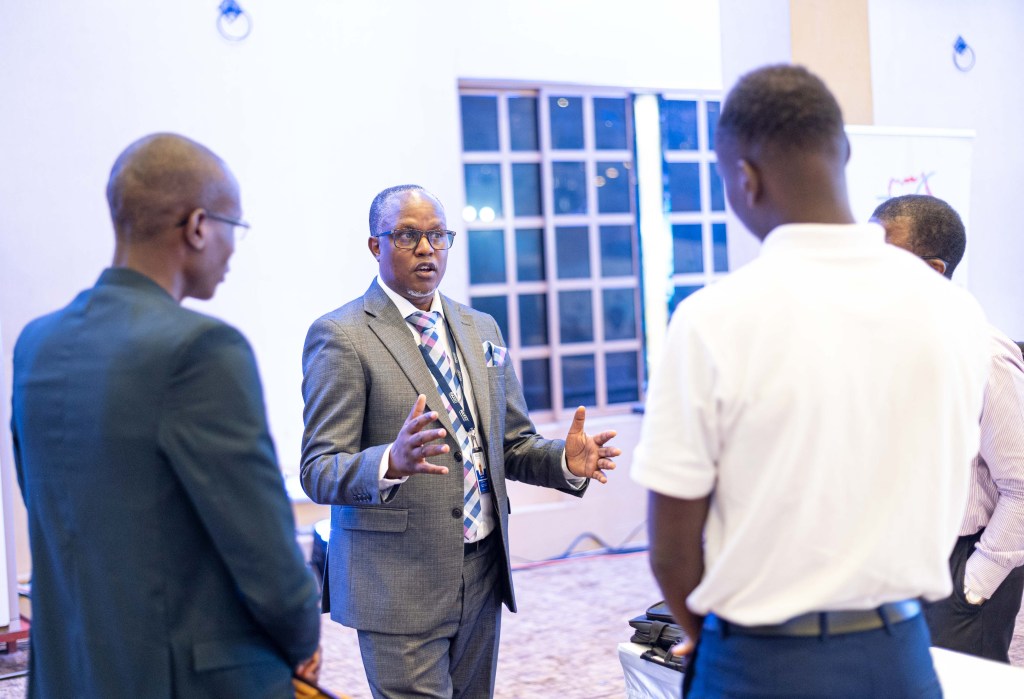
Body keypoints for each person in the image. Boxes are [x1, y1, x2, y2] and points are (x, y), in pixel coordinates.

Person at [631, 65, 992, 697]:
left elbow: (671, 545)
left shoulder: (713, 318)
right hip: (902, 654)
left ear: (744, 177)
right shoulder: (955, 310)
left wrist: (711, 640)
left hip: (762, 663)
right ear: (844, 155)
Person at [10, 133, 321, 698]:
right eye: (236, 227)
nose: (233, 248)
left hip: (71, 670)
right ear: (199, 226)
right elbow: (260, 544)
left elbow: (51, 512)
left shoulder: (37, 344)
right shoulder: (202, 349)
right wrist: (303, 632)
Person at [300, 184, 620, 698]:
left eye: (437, 236)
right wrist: (390, 462)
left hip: (481, 571)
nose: (427, 249)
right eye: (407, 235)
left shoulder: (479, 328)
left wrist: (562, 459)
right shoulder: (341, 335)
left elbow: (510, 444)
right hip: (396, 583)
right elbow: (318, 468)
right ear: (375, 246)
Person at [872, 193, 1024, 663]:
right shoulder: (880, 345)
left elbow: (1021, 487)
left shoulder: (986, 355)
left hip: (961, 567)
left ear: (934, 271)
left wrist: (974, 585)